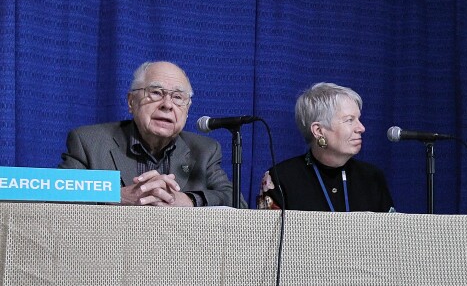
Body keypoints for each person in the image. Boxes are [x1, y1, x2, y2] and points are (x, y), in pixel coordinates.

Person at [60, 61, 236, 207]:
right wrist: (115, 196)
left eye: (177, 97)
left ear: (187, 110)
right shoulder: (89, 142)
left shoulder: (205, 150)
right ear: (131, 102)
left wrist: (190, 200)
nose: (167, 105)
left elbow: (236, 201)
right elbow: (51, 195)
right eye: (156, 93)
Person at [257, 82, 393, 212]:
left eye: (359, 119)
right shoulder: (280, 179)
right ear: (318, 131)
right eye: (350, 120)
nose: (361, 128)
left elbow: (390, 234)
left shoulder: (372, 178)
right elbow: (266, 235)